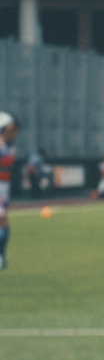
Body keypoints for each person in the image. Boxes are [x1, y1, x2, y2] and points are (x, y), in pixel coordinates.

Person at [0, 113, 18, 271]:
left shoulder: (9, 146)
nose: (14, 133)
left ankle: (1, 256)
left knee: (3, 221)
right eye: (11, 129)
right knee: (3, 219)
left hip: (4, 189)